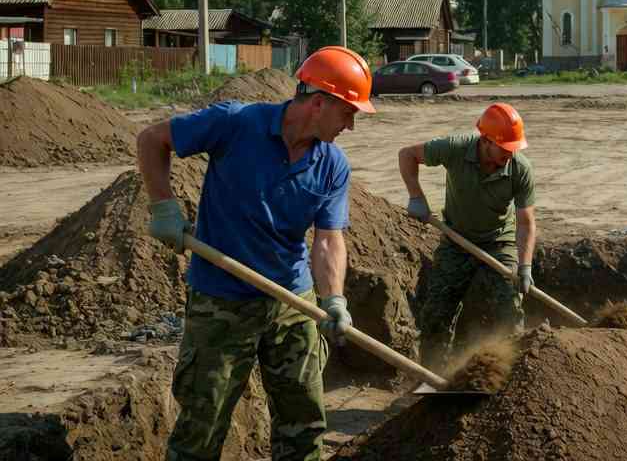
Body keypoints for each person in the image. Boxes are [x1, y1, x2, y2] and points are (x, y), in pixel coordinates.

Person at [138, 46, 375, 461]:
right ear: (319, 103)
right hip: (221, 301)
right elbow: (152, 139)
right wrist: (163, 207)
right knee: (202, 425)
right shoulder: (236, 123)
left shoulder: (332, 165)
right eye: (348, 113)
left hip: (292, 303)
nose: (351, 125)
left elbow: (328, 239)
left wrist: (334, 298)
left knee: (304, 424)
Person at [398, 102, 537, 368]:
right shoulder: (456, 149)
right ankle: (433, 374)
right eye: (505, 148)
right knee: (437, 311)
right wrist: (416, 197)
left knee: (509, 308)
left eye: (514, 148)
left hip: (499, 242)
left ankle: (512, 374)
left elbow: (525, 223)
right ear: (485, 140)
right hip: (456, 240)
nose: (510, 154)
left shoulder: (520, 169)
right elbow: (407, 155)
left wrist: (525, 266)